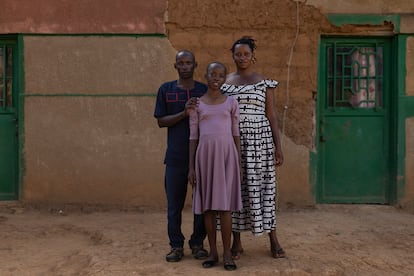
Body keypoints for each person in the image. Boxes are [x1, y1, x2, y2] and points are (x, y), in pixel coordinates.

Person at [221, 36, 286, 259]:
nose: (242, 58)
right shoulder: (226, 83)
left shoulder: (263, 82)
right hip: (234, 141)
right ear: (232, 56)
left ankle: (274, 240)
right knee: (237, 190)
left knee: (265, 189)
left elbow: (272, 115)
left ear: (253, 56)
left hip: (261, 143)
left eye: (246, 54)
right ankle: (237, 243)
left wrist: (278, 147)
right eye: (238, 54)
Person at [154, 50, 208, 262]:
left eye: (188, 63)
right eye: (181, 63)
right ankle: (176, 246)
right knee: (174, 206)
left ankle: (197, 243)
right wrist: (183, 114)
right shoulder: (166, 90)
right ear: (175, 66)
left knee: (201, 205)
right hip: (175, 158)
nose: (185, 66)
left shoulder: (204, 91)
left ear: (195, 65)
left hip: (201, 158)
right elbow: (161, 121)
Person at [188, 62, 242, 271]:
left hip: (227, 156)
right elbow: (193, 136)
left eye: (220, 75)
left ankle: (228, 253)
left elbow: (235, 133)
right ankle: (213, 252)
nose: (216, 78)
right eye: (212, 74)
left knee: (225, 207)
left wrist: (237, 161)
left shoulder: (231, 103)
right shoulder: (197, 104)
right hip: (205, 158)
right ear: (206, 76)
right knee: (208, 208)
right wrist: (192, 167)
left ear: (224, 78)